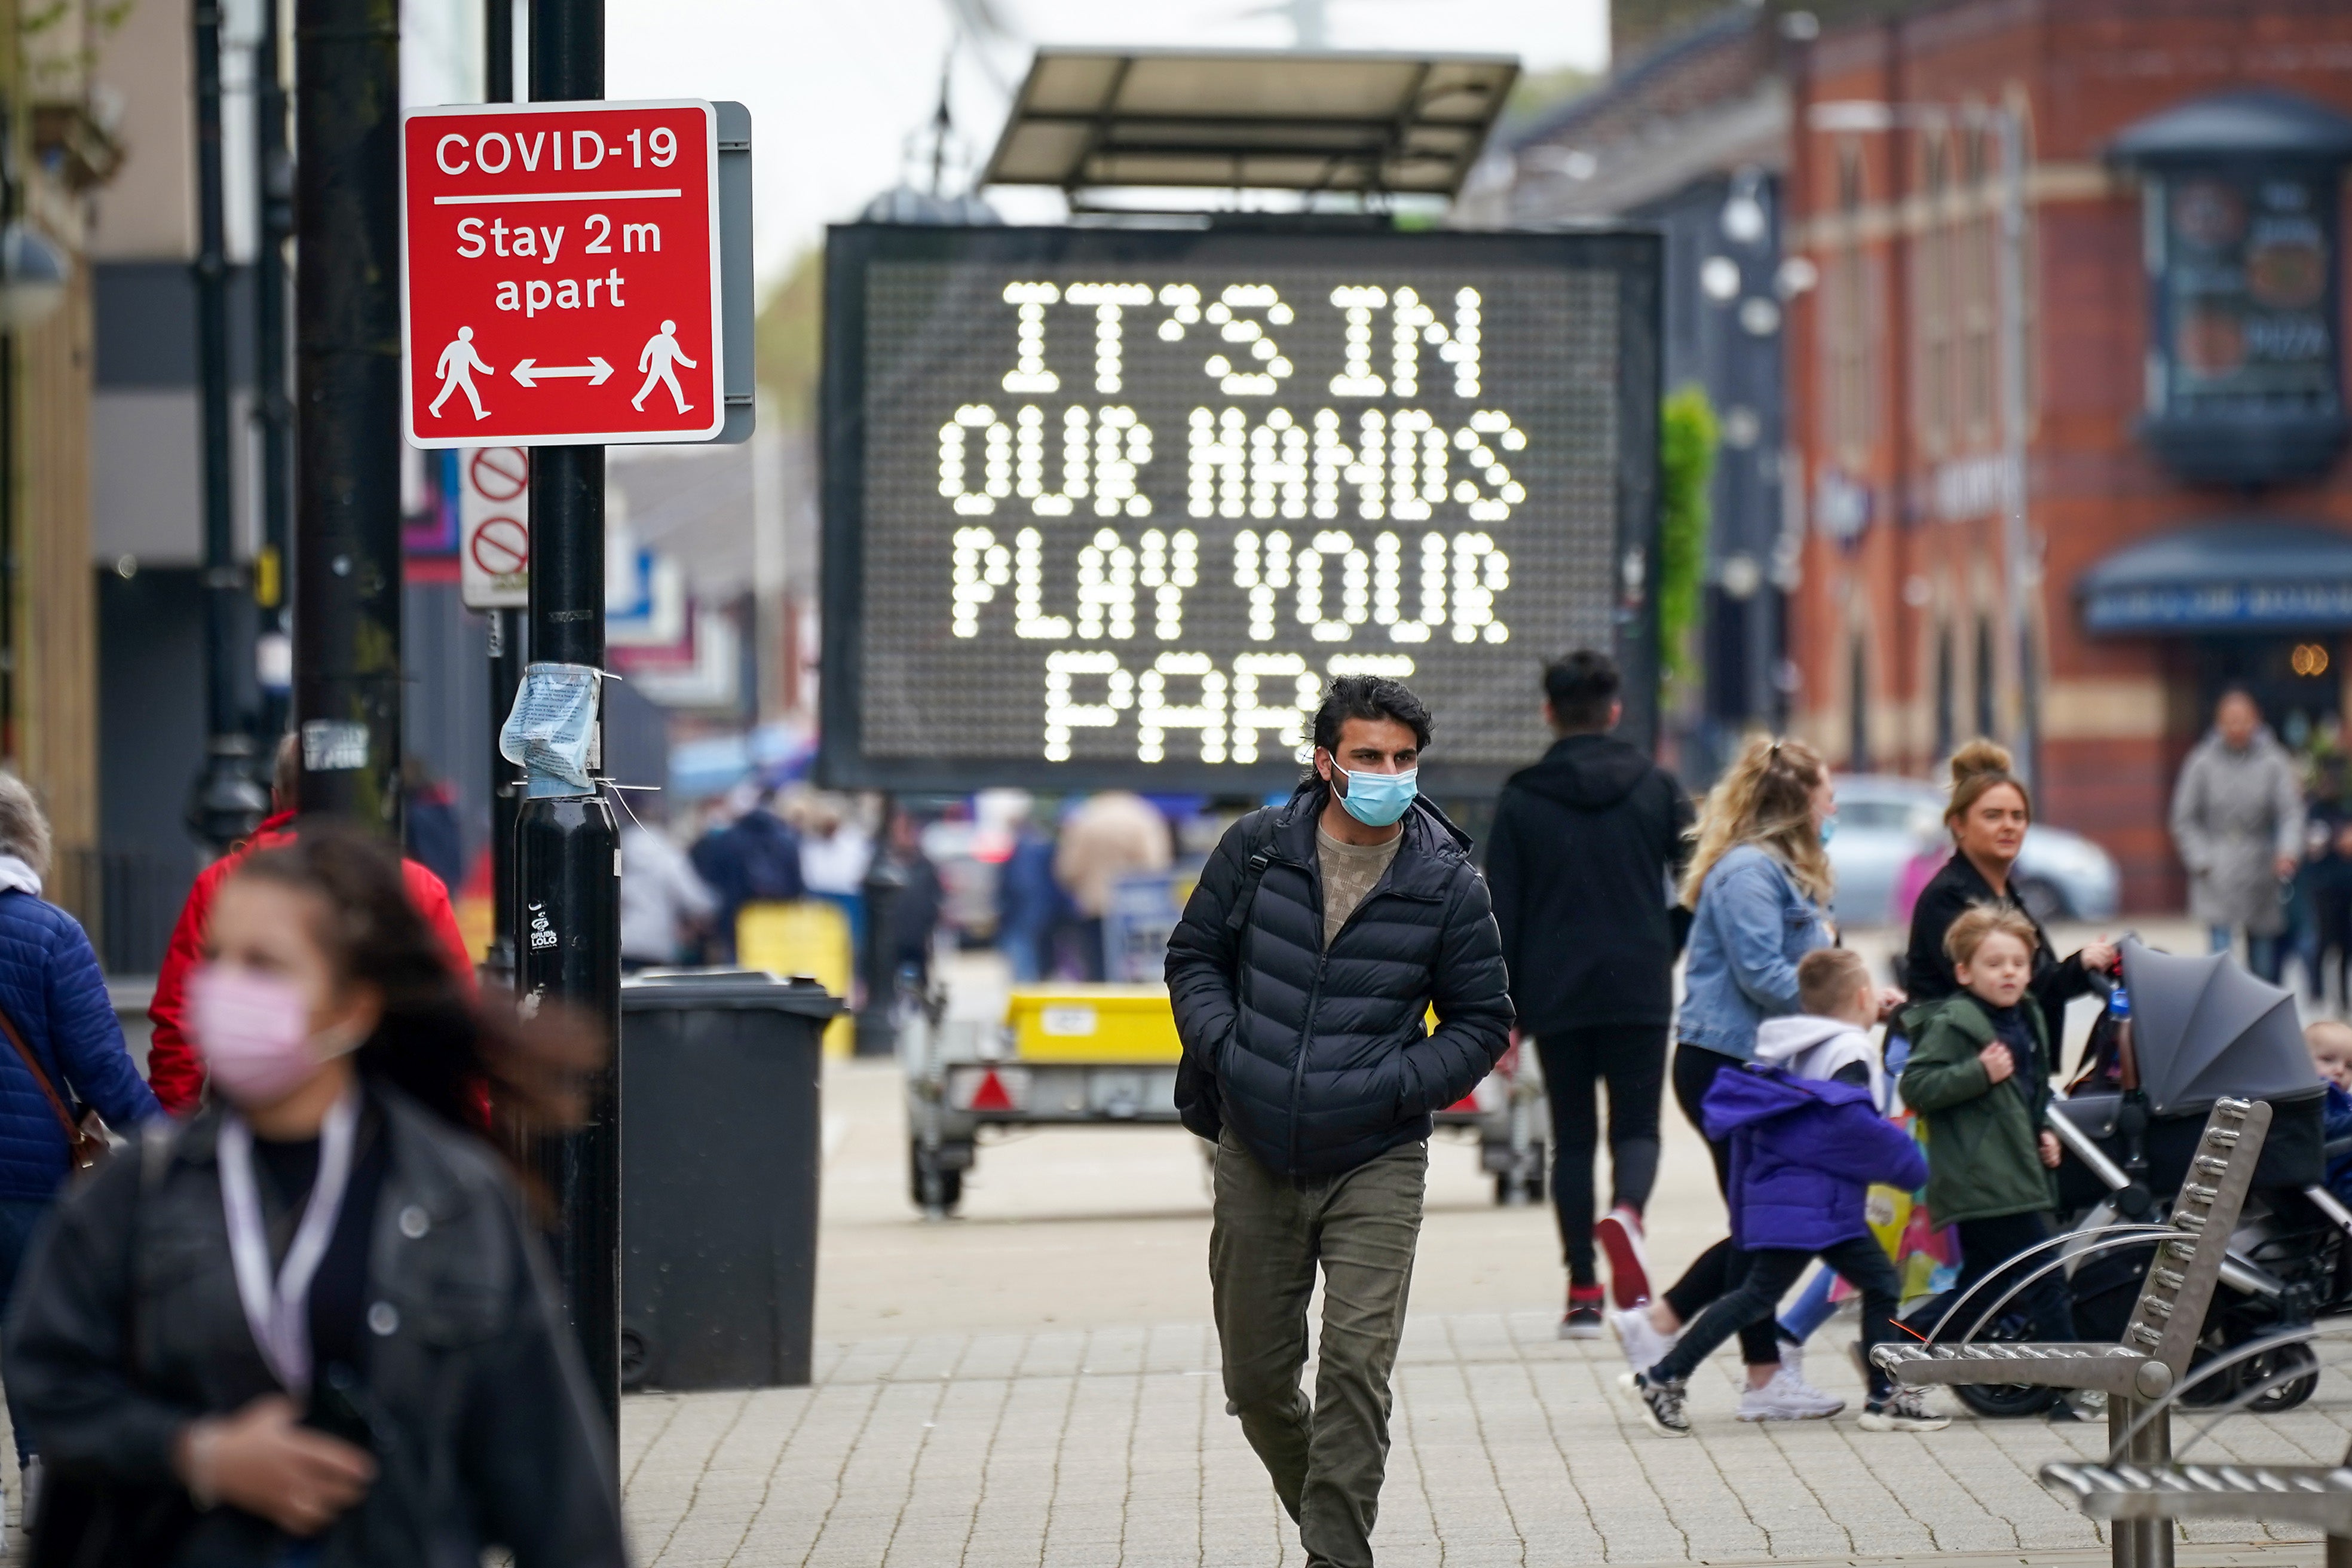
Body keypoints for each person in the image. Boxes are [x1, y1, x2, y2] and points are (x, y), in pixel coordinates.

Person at [4, 827, 624, 1566]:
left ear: (353, 1007)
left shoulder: (454, 1196)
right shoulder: (138, 1195)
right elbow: (54, 1383)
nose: (227, 988)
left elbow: (551, 1478)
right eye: (218, 959)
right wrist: (197, 1454)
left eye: (263, 965)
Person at [1166, 675, 1511, 1568]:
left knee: (1357, 1368)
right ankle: (1333, 1527)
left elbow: (1482, 1021)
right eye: (1369, 756)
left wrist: (1398, 1085)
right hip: (1256, 1144)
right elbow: (1195, 956)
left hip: (1377, 1153)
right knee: (1256, 1382)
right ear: (1327, 763)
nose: (1389, 773)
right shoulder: (1255, 851)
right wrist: (1227, 1048)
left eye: (1404, 759)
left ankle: (1335, 1558)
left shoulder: (1446, 884)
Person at [1609, 734, 1862, 1422]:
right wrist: (1845, 1003)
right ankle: (1724, 1358)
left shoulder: (1780, 869)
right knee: (1771, 1223)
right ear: (1796, 802)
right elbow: (1763, 973)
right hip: (1726, 1064)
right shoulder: (1750, 871)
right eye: (1826, 793)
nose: (1833, 804)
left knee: (1763, 1222)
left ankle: (1703, 1344)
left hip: (1748, 1065)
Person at [1622, 947, 1943, 1437]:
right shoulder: (1850, 1052)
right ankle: (1665, 1378)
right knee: (1757, 1295)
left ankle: (1886, 1396)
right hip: (1813, 1205)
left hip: (1807, 1200)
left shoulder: (1795, 1043)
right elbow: (1851, 1126)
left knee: (1877, 1282)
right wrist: (1911, 1166)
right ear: (1863, 995)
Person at [1485, 650, 1692, 1337]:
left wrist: (1504, 1009)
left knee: (1572, 1140)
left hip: (1555, 988)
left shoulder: (1520, 797)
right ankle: (1627, 1214)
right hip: (1639, 981)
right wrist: (1667, 943)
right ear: (1615, 709)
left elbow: (1502, 911)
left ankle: (1581, 1291)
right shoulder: (1659, 788)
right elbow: (1698, 877)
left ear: (1549, 712)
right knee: (1636, 1126)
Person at [147, 734, 475, 1116]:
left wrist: (177, 1128)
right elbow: (457, 1017)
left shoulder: (225, 883)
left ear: (277, 796)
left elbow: (177, 1023)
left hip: (248, 1115)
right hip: (389, 1117)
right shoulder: (414, 886)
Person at [0, 774, 163, 1507]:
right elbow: (100, 1064)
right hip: (26, 1181)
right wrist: (170, 1144)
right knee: (32, 1330)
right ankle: (38, 1484)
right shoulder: (51, 933)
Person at [1900, 904, 2081, 1367]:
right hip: (1982, 1178)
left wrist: (2042, 1129)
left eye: (2019, 964)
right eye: (1994, 964)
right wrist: (1977, 1072)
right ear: (1964, 972)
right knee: (2045, 1278)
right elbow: (1916, 1086)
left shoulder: (2027, 1015)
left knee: (1987, 1285)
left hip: (2015, 1171)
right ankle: (2071, 1385)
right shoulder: (1954, 1022)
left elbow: (2029, 1092)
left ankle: (1894, 1349)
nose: (2009, 974)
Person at [1903, 740, 2116, 1047]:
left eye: (2018, 816)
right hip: (1967, 1068)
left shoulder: (2005, 892)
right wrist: (2076, 967)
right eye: (1993, 816)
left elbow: (2036, 981)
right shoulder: (1948, 898)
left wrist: (2087, 965)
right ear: (1958, 824)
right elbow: (2001, 990)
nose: (2009, 827)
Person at [2171, 689, 2305, 984]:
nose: (2237, 727)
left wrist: (2287, 852)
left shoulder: (2274, 761)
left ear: (2256, 720)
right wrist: (2201, 859)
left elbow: (2290, 813)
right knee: (2220, 964)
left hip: (2261, 868)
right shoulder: (2201, 762)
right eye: (2230, 720)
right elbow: (2184, 818)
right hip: (2216, 869)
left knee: (2263, 963)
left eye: (2243, 720)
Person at [1054, 792, 1172, 981]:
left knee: (1098, 971)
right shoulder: (1143, 815)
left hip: (1095, 907)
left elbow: (1068, 869)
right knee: (1139, 973)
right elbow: (1157, 866)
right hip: (1137, 915)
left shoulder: (1085, 816)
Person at [620, 810, 718, 971]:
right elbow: (696, 901)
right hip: (656, 945)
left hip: (622, 942)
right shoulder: (668, 858)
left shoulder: (619, 857)